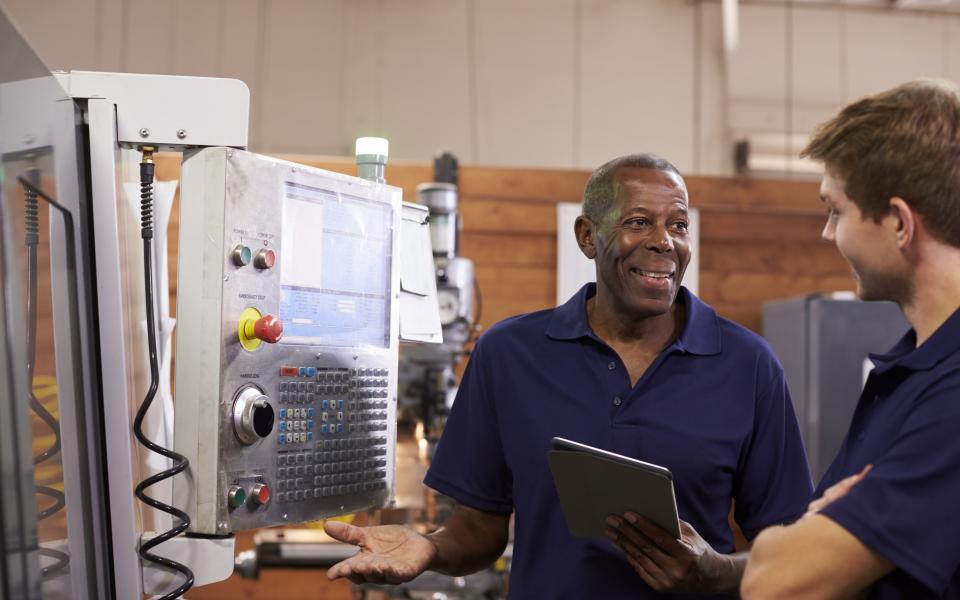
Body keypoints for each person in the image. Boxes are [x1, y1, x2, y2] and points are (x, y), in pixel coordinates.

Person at [325, 153, 813, 598]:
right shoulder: (509, 355)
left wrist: (716, 572)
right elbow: (479, 528)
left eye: (679, 225)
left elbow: (789, 550)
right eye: (639, 222)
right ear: (587, 236)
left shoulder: (749, 365)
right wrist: (427, 548)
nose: (665, 241)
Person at [740, 79, 960, 599]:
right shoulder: (913, 370)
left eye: (835, 210)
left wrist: (809, 529)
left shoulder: (952, 393)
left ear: (900, 224)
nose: (827, 233)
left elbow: (773, 584)